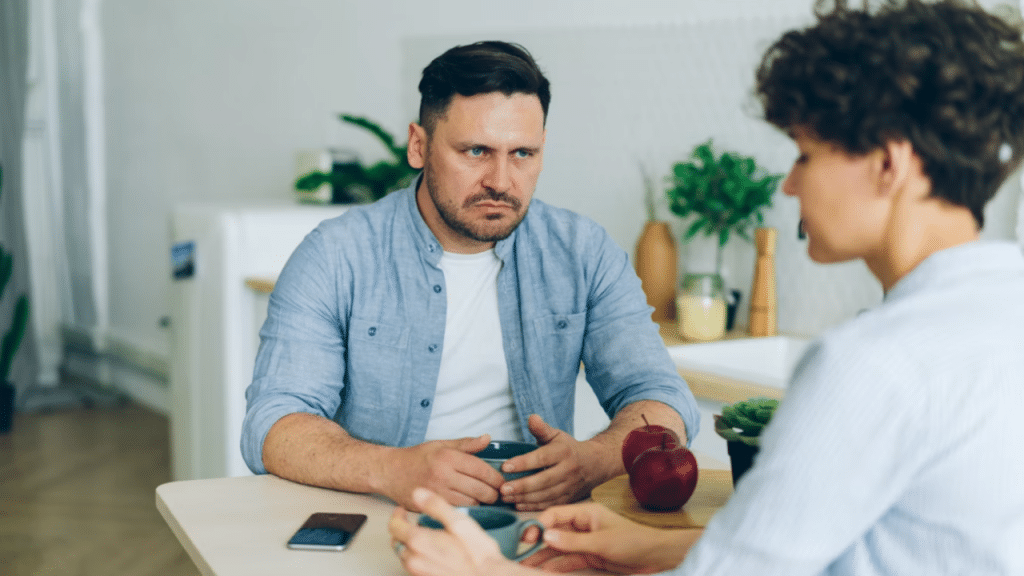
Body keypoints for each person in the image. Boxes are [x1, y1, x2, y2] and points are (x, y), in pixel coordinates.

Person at [388, 1, 1024, 574]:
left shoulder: (874, 364)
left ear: (887, 163)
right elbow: (867, 544)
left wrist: (488, 573)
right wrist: (654, 547)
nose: (790, 186)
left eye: (805, 154)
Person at [240, 40, 700, 512]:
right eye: (477, 151)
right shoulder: (336, 255)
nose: (501, 180)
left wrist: (596, 460)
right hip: (385, 517)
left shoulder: (583, 252)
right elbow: (274, 424)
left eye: (522, 153)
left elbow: (660, 397)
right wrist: (393, 469)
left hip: (534, 528)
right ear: (419, 146)